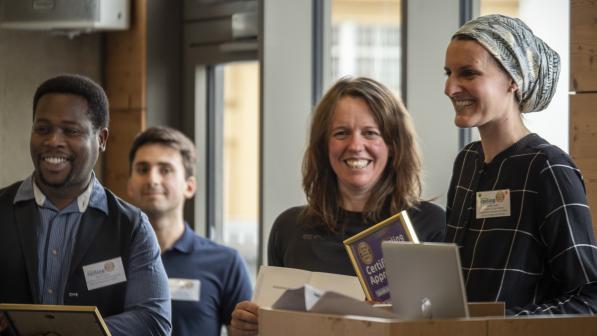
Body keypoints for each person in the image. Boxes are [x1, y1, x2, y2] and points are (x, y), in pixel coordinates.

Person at [229, 77, 446, 335]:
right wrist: (248, 326)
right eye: (341, 133)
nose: (355, 146)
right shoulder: (289, 229)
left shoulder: (430, 226)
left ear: (394, 146)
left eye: (370, 133)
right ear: (323, 146)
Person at [444, 14, 597, 314]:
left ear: (513, 79)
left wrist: (507, 325)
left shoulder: (549, 168)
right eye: (448, 73)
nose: (450, 88)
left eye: (468, 73)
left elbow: (590, 298)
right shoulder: (467, 162)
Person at [0, 74, 171, 335]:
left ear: (101, 139)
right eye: (42, 128)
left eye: (71, 131)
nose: (53, 141)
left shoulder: (130, 226)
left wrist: (70, 332)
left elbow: (153, 321)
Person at [127, 126, 253, 336]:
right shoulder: (109, 258)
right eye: (142, 169)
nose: (152, 179)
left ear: (189, 187)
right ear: (130, 185)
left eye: (165, 169)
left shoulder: (225, 263)